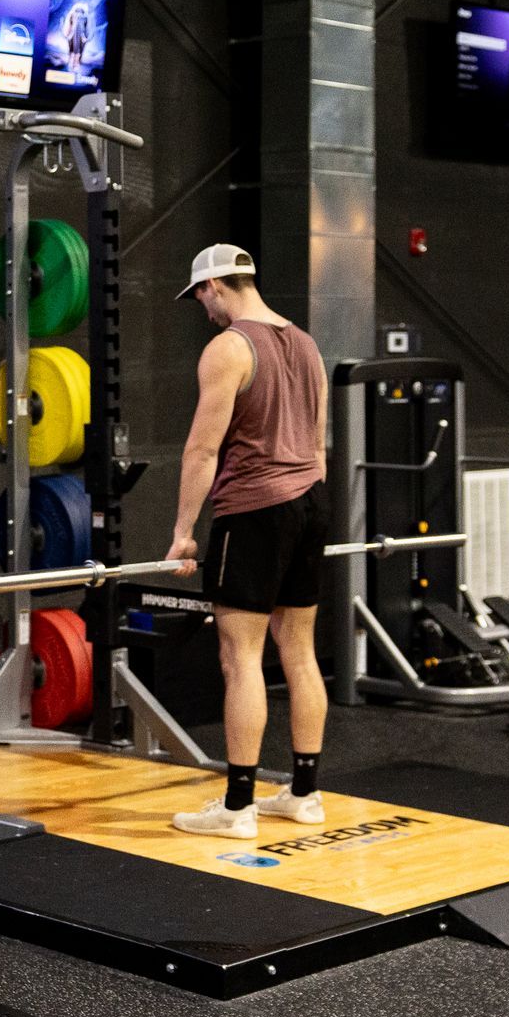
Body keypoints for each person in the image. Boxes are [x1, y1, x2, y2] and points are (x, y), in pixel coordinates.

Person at [163, 245, 331, 839]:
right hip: (310, 503)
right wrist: (306, 510)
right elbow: (317, 446)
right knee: (300, 652)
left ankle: (237, 808)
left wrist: (183, 534)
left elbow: (202, 450)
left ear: (213, 285)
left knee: (241, 659)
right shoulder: (307, 344)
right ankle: (304, 795)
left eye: (199, 297)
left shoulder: (229, 347)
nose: (202, 309)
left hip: (254, 512)